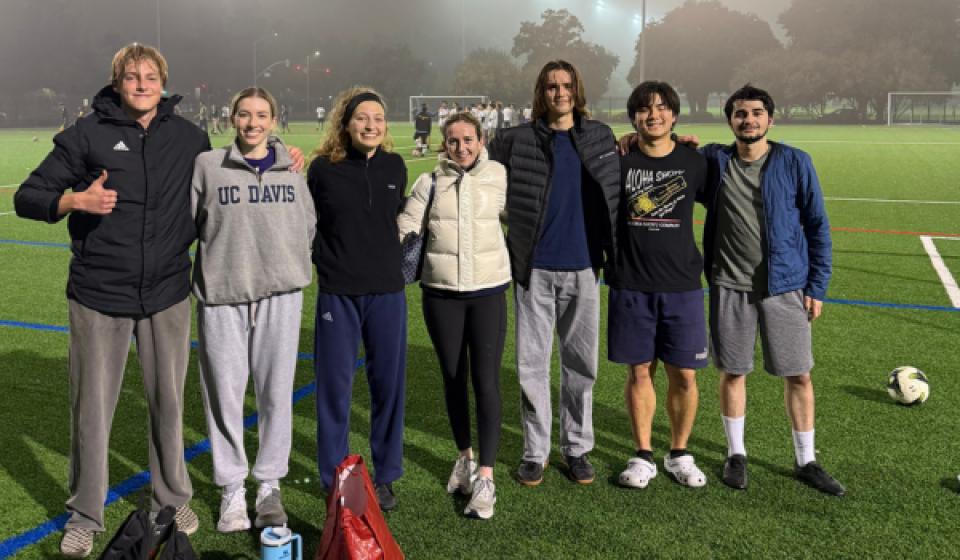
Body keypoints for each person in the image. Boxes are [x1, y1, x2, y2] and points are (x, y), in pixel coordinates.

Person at [13, 43, 209, 558]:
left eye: (150, 76)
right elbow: (27, 197)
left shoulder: (191, 138)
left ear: (163, 82)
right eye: (131, 76)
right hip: (100, 293)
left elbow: (220, 190)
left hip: (166, 291)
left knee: (169, 405)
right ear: (117, 82)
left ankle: (170, 500)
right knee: (92, 412)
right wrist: (75, 200)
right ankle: (85, 513)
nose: (142, 84)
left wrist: (286, 156)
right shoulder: (85, 134)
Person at [701, 84, 843, 496]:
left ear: (771, 119)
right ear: (730, 120)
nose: (749, 120)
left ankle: (806, 460)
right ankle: (736, 454)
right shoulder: (715, 160)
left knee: (799, 374)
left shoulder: (795, 162)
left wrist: (817, 285)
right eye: (741, 113)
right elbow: (673, 157)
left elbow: (818, 226)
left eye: (757, 113)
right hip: (729, 284)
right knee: (733, 372)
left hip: (785, 287)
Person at [487, 60, 619, 486]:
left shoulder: (599, 135)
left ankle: (577, 449)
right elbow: (483, 179)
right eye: (550, 86)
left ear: (576, 90)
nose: (559, 93)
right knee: (532, 366)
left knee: (581, 366)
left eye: (565, 86)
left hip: (584, 267)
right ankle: (535, 451)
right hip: (534, 268)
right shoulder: (515, 139)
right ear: (540, 93)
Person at [191, 86, 315, 533]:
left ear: (274, 120)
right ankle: (230, 490)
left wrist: (284, 264)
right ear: (232, 118)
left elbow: (308, 226)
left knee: (275, 394)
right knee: (223, 396)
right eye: (244, 114)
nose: (252, 122)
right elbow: (191, 223)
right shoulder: (208, 166)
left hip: (281, 297)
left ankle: (268, 486)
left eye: (262, 114)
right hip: (222, 296)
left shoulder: (292, 168)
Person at [397, 111, 509, 519]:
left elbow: (521, 216)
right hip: (440, 294)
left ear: (481, 140)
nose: (461, 147)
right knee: (452, 378)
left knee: (486, 381)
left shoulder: (498, 175)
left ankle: (486, 475)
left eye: (468, 139)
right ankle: (464, 457)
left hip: (488, 293)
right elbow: (407, 223)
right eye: (453, 141)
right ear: (445, 143)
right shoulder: (428, 180)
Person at [308, 86, 407, 511]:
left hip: (387, 292)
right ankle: (335, 476)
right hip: (338, 294)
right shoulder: (322, 170)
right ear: (345, 123)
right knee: (335, 389)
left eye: (378, 118)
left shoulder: (395, 166)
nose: (371, 125)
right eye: (362, 117)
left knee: (388, 387)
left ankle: (385, 476)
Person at [609, 81, 709, 490]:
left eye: (662, 107)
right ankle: (643, 454)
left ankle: (680, 452)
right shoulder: (619, 160)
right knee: (639, 372)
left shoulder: (695, 161)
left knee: (684, 374)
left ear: (674, 114)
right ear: (634, 117)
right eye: (645, 109)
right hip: (631, 283)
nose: (654, 115)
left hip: (682, 284)